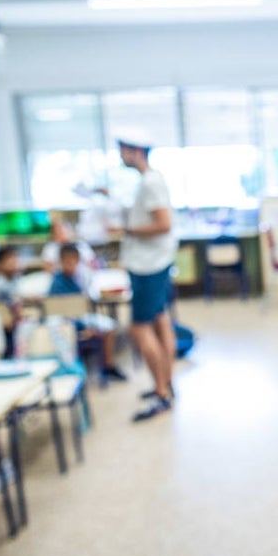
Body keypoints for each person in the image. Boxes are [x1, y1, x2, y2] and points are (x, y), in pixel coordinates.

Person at [116, 131, 178, 421]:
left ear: (136, 151)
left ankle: (161, 392)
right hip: (155, 261)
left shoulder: (151, 182)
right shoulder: (151, 180)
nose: (121, 156)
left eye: (124, 150)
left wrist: (126, 230)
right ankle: (165, 382)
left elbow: (163, 223)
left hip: (148, 265)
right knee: (160, 319)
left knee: (139, 327)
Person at [49, 244, 126, 380]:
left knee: (110, 326)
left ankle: (108, 366)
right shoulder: (57, 282)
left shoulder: (80, 278)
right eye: (66, 261)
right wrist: (84, 328)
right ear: (60, 262)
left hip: (83, 317)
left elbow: (86, 303)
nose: (70, 265)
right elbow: (60, 312)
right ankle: (74, 366)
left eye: (73, 261)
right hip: (68, 322)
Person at [0, 245, 24, 357]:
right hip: (3, 326)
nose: (14, 262)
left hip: (16, 323)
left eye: (15, 258)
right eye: (9, 259)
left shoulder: (17, 279)